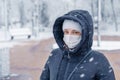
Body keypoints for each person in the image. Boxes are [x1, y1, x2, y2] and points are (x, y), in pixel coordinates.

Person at [40, 10, 115, 80]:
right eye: (66, 32)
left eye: (75, 32)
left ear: (85, 34)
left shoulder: (98, 59)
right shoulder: (55, 55)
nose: (69, 36)